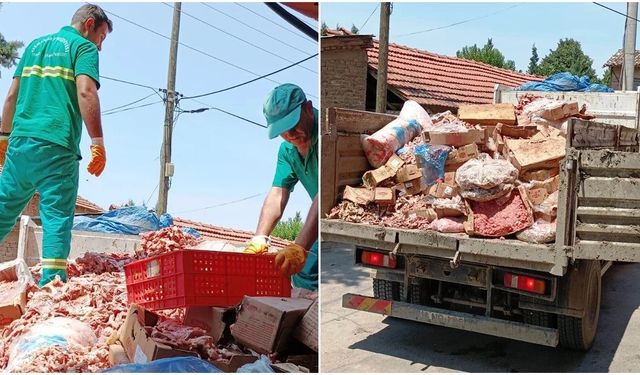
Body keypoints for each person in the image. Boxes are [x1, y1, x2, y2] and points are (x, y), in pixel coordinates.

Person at [0, 4, 112, 287]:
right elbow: (86, 91)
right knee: (57, 217)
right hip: (56, 146)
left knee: (2, 211)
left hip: (20, 145)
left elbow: (12, 95)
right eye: (101, 37)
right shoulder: (83, 48)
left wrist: (3, 137)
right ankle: (51, 284)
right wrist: (97, 141)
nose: (100, 46)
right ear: (89, 24)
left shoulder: (35, 46)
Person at [244, 83, 318, 291]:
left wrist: (300, 246)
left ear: (307, 109)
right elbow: (277, 193)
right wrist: (260, 237)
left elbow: (325, 194)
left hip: (333, 211)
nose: (290, 135)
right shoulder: (287, 150)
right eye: (282, 131)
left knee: (307, 267)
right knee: (303, 275)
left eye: (293, 126)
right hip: (320, 218)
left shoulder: (327, 136)